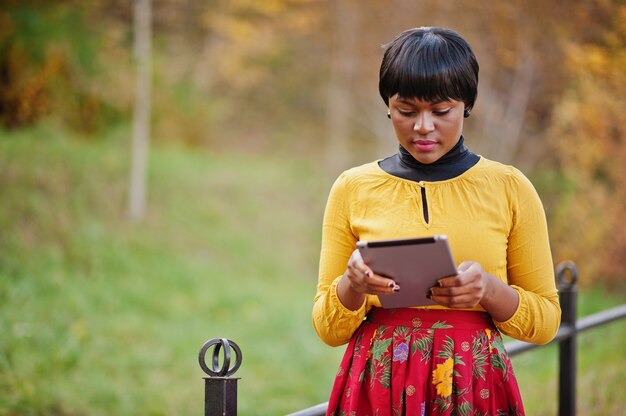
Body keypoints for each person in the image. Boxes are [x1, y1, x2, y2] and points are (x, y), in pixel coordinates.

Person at [312, 27, 561, 416]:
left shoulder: (509, 187)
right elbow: (329, 329)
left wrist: (489, 291)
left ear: (466, 105)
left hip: (471, 383)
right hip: (379, 384)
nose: (423, 127)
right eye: (406, 110)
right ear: (388, 106)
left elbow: (545, 323)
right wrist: (352, 285)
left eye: (441, 111)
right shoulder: (352, 187)